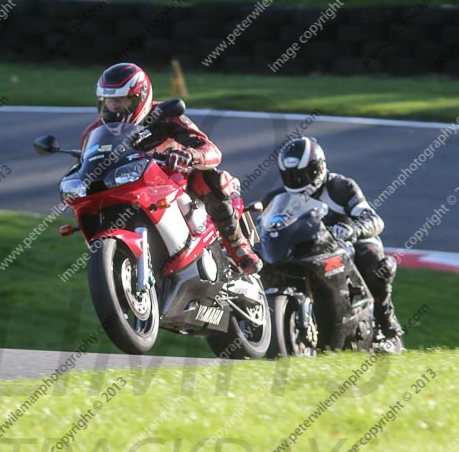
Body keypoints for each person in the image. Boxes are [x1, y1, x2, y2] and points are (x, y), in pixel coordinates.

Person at [80, 62, 262, 275]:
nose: (116, 108)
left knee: (210, 178)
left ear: (141, 97)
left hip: (176, 182)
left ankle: (237, 246)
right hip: (131, 187)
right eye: (110, 102)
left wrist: (190, 154)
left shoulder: (166, 115)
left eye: (123, 100)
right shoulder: (94, 132)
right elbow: (87, 165)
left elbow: (210, 150)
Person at [262, 136, 403, 339]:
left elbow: (373, 219)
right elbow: (265, 226)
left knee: (372, 259)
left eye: (301, 174)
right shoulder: (277, 199)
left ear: (317, 168)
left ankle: (385, 318)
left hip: (346, 244)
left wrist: (353, 230)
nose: (296, 181)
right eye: (290, 175)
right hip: (307, 248)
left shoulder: (340, 187)